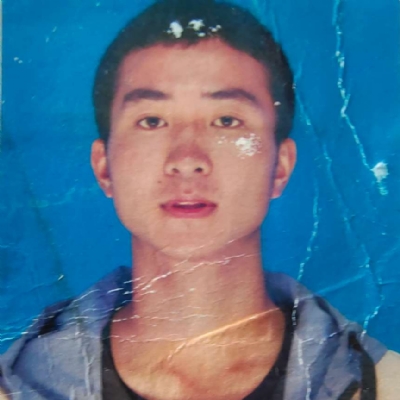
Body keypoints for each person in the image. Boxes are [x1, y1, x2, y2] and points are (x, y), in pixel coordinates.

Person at [1, 0, 399, 399]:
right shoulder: (17, 388)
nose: (187, 159)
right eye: (152, 121)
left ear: (280, 166)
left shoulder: (386, 385)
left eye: (226, 121)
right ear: (104, 167)